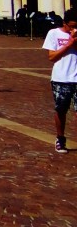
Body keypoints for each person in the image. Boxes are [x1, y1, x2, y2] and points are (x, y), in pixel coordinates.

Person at [44, 8, 77, 153]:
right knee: (61, 110)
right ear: (64, 23)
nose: (74, 28)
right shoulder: (53, 33)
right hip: (61, 78)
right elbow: (52, 57)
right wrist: (68, 44)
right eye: (71, 26)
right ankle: (60, 138)